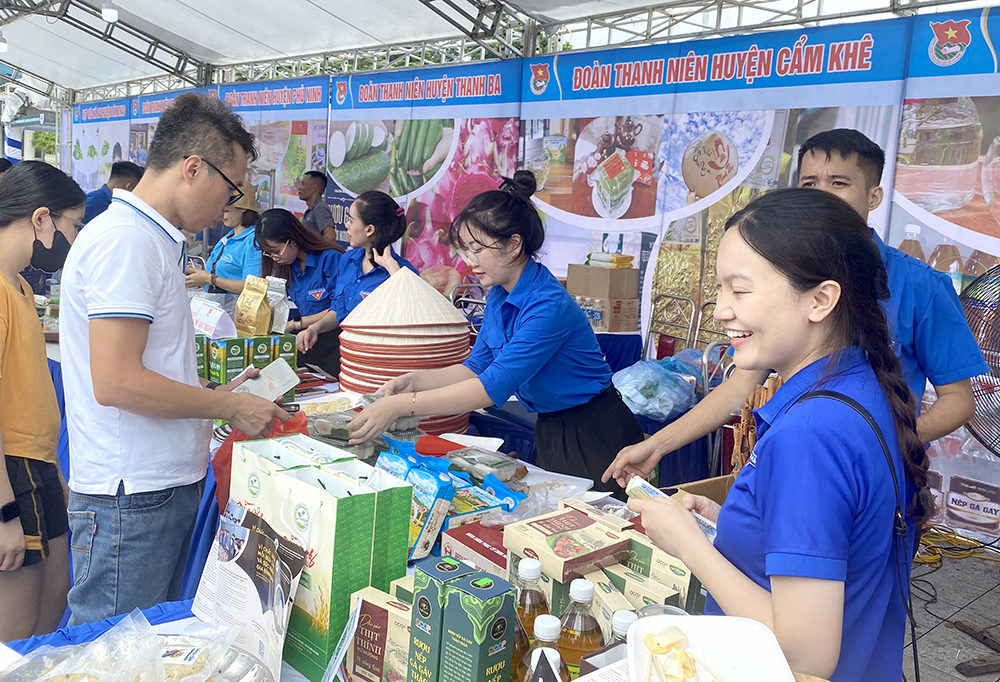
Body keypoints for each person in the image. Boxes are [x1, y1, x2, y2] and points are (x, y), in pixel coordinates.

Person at [630, 188, 929, 681]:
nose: (721, 309)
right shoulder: (861, 386)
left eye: (739, 290)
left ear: (821, 299)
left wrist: (689, 544)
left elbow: (802, 657)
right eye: (720, 289)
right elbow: (838, 541)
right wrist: (734, 520)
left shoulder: (810, 435)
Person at [605, 128, 988, 487]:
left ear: (874, 196)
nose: (821, 195)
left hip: (873, 476)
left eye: (838, 183)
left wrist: (888, 438)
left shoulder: (922, 285)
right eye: (809, 183)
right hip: (791, 467)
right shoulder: (779, 277)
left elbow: (958, 400)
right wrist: (657, 445)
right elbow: (740, 386)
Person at [60, 93, 288, 625]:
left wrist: (214, 395)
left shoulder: (149, 239)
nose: (230, 205)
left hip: (149, 489)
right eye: (231, 188)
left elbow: (146, 366)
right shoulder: (127, 241)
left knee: (139, 648)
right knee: (108, 651)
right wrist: (225, 406)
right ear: (192, 168)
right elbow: (116, 381)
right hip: (131, 497)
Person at [348, 172, 644, 496]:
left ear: (514, 244)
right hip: (550, 425)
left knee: (598, 525)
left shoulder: (547, 306)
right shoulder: (500, 293)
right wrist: (414, 380)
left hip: (593, 429)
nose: (470, 261)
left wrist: (403, 406)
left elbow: (491, 388)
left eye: (478, 249)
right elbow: (475, 367)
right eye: (467, 249)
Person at [0, 161, 83, 640]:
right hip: (12, 476)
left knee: (50, 611)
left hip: (38, 468)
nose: (72, 239)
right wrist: (6, 512)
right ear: (41, 219)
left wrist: (54, 472)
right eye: (72, 225)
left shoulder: (21, 285)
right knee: (14, 632)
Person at [297, 190, 417, 353]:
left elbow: (413, 311)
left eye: (351, 220)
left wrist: (390, 266)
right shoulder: (348, 259)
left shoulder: (401, 271)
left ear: (369, 230)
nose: (346, 225)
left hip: (381, 357)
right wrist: (315, 328)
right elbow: (339, 310)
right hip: (348, 352)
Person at [256, 209, 345, 375]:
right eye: (269, 254)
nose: (274, 258)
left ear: (293, 240)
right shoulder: (288, 267)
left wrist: (296, 324)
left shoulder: (330, 258)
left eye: (276, 251)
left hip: (334, 343)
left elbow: (341, 308)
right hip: (305, 342)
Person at [184, 181, 261, 296]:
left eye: (226, 211)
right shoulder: (228, 238)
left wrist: (211, 279)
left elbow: (252, 287)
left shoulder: (253, 241)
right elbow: (213, 274)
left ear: (243, 209)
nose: (222, 216)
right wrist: (196, 275)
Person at [298, 170, 337, 242]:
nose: (299, 188)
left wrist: (317, 251)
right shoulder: (313, 208)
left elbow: (330, 236)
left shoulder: (320, 208)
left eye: (303, 184)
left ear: (314, 188)